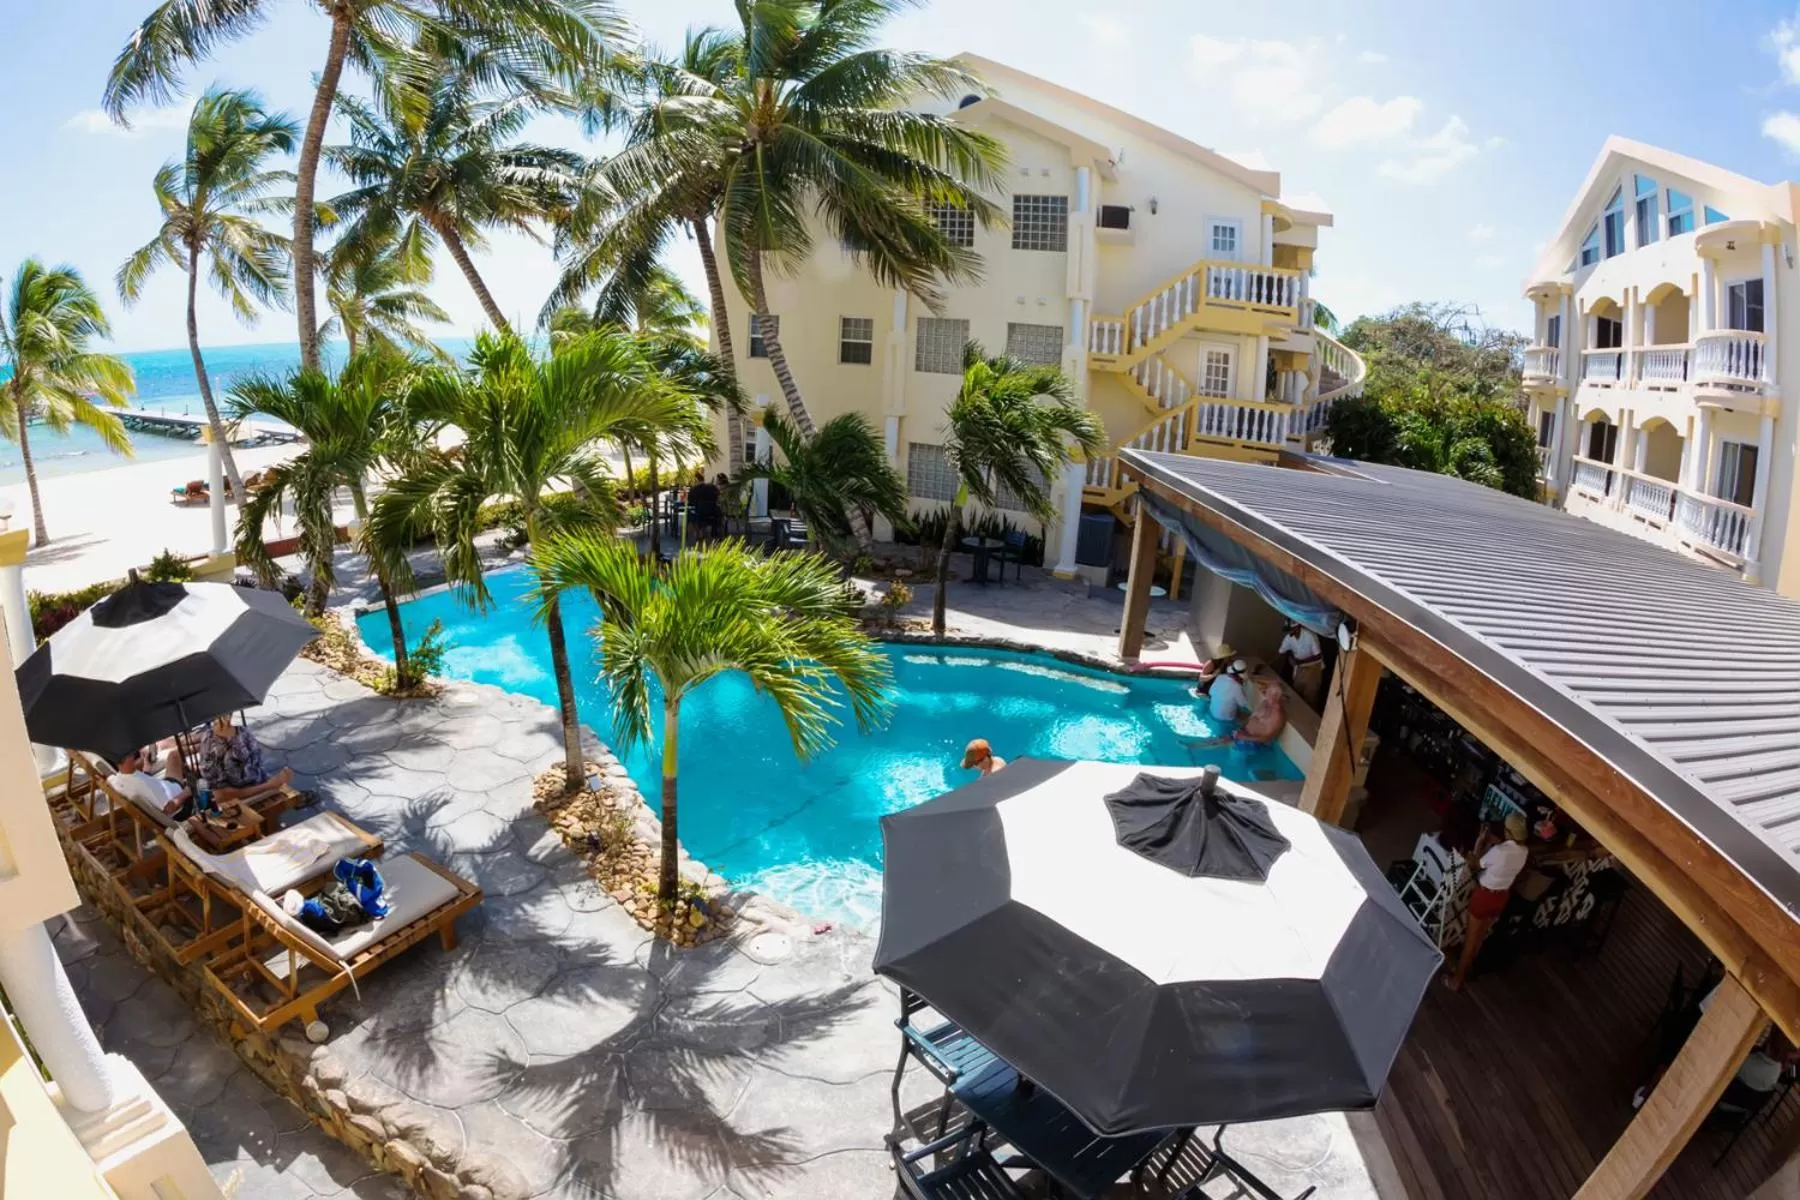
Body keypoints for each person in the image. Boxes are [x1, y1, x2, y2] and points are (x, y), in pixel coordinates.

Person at [1446, 812, 1531, 990]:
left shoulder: (1499, 851)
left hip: (1485, 896)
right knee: (1479, 939)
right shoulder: (1524, 851)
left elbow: (1474, 864)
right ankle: (1466, 969)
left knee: (1469, 941)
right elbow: (1509, 851)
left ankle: (1456, 980)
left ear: (1508, 832)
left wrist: (1479, 842)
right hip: (1501, 898)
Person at [197, 715, 293, 804]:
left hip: (258, 783)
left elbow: (256, 764)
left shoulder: (242, 731)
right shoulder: (209, 743)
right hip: (238, 797)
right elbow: (220, 793)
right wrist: (269, 786)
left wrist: (273, 781)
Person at [109, 746, 192, 819]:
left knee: (173, 755)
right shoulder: (140, 785)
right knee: (175, 755)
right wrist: (187, 792)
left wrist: (146, 771)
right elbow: (168, 809)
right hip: (180, 801)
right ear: (130, 756)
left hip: (165, 786)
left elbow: (145, 786)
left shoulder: (116, 779)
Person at [1278, 621, 1325, 710]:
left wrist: (1300, 661)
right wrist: (1291, 658)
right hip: (1299, 668)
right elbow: (1281, 651)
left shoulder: (1310, 636)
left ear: (1297, 628)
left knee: (1311, 696)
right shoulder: (1289, 638)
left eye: (1290, 630)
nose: (1288, 633)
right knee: (1297, 693)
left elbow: (1318, 656)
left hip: (1314, 667)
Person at [1234, 668, 1288, 746]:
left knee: (1233, 755)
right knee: (1216, 743)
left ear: (1277, 698)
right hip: (1244, 733)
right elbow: (1252, 717)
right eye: (1267, 692)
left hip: (1253, 743)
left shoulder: (1277, 716)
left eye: (1268, 693)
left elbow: (1265, 738)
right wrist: (1241, 729)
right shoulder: (1265, 702)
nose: (1265, 694)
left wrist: (1244, 737)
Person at [1207, 660, 1252, 728]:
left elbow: (1210, 692)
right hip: (1226, 719)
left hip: (1212, 713)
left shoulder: (1220, 677)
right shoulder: (1237, 687)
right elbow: (1243, 704)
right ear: (1241, 676)